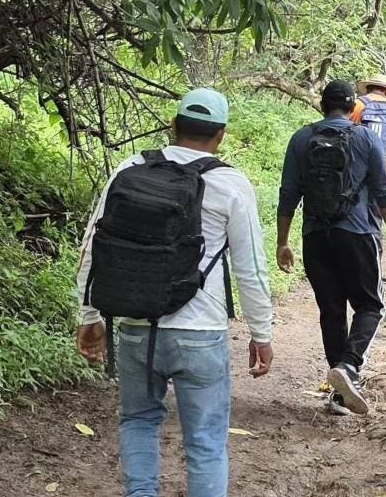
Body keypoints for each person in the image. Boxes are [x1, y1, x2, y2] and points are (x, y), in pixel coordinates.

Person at [75, 88, 274, 497]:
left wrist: (89, 315)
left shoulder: (130, 168)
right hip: (201, 333)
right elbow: (250, 268)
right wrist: (261, 333)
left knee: (138, 421)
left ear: (173, 125)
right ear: (220, 134)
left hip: (135, 325)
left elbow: (92, 247)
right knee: (205, 440)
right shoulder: (230, 183)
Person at [276, 80, 386, 416]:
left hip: (315, 235)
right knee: (371, 305)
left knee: (331, 310)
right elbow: (384, 191)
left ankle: (339, 395)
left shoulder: (301, 138)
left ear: (322, 105)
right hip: (358, 233)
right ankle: (348, 367)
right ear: (352, 108)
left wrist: (282, 241)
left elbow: (288, 193)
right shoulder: (366, 138)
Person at [350, 73, 386, 189]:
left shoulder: (356, 104)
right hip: (383, 167)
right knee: (381, 199)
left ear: (367, 89)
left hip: (355, 165)